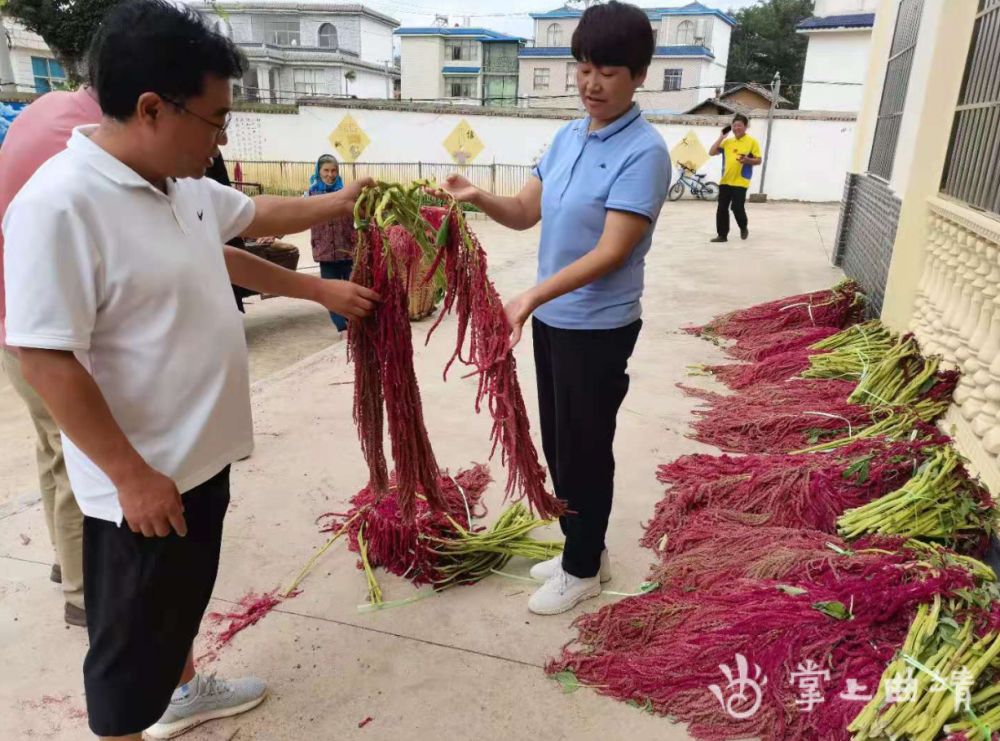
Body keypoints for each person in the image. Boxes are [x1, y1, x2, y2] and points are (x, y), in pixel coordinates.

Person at [1, 2, 379, 739]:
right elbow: (44, 354)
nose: (221, 137)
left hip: (198, 462)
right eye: (214, 119)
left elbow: (244, 227)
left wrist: (334, 220)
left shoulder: (176, 185)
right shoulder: (61, 206)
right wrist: (130, 475)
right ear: (151, 108)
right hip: (144, 484)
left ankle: (184, 692)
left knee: (174, 609)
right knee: (124, 658)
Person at [432, 0, 670, 616]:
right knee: (562, 446)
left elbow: (614, 251)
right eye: (583, 68)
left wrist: (532, 293)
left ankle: (582, 569)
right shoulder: (567, 136)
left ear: (640, 75)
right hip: (555, 322)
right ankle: (583, 549)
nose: (591, 84)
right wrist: (475, 194)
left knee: (586, 448)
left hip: (599, 326)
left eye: (608, 72)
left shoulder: (644, 152)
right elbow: (523, 212)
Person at [0, 73, 102, 629]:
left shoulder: (45, 106)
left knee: (51, 451)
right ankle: (85, 595)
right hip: (44, 333)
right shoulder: (79, 138)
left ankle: (65, 564)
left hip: (13, 323)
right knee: (76, 459)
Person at [307, 153, 357, 335]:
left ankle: (354, 324)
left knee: (353, 289)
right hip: (325, 253)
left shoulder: (346, 194)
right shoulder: (310, 196)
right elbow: (297, 217)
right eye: (326, 170)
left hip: (348, 251)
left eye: (334, 170)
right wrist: (275, 233)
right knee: (330, 292)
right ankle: (342, 328)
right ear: (318, 171)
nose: (330, 174)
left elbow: (361, 215)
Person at [708, 113, 762, 243]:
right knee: (722, 208)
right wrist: (721, 137)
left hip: (741, 181)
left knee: (736, 207)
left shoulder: (752, 142)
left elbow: (758, 160)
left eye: (739, 125)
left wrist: (748, 160)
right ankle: (722, 235)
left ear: (746, 127)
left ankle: (743, 227)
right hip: (726, 180)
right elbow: (711, 152)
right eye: (734, 125)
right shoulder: (727, 142)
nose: (736, 128)